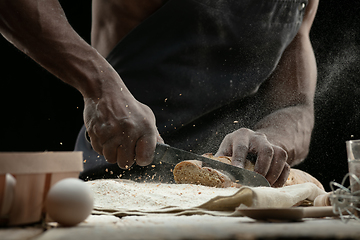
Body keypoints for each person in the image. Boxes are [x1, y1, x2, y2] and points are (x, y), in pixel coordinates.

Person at [0, 0, 318, 187]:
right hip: (120, 180)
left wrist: (269, 143)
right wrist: (100, 88)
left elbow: (296, 106)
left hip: (229, 192)